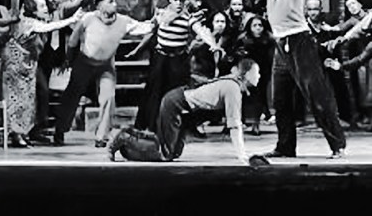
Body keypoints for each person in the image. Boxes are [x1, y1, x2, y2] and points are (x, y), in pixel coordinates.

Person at [260, 0, 346, 160]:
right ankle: (285, 146)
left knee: (316, 95)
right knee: (280, 99)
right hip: (280, 45)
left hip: (300, 42)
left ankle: (337, 145)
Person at [107, 58, 264, 165]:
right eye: (256, 72)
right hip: (176, 104)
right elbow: (234, 125)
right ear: (246, 74)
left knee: (174, 152)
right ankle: (124, 138)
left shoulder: (234, 84)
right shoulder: (233, 88)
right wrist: (242, 156)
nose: (259, 75)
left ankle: (129, 135)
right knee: (165, 154)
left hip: (182, 107)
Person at [52, 0, 152, 147]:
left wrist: (158, 21)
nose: (115, 4)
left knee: (108, 97)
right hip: (85, 62)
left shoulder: (123, 21)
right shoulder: (88, 18)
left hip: (106, 65)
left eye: (115, 1)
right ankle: (60, 129)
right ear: (99, 5)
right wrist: (68, 59)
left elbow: (144, 27)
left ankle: (102, 136)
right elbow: (73, 40)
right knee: (72, 95)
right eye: (110, 1)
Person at [127, 0, 222, 132]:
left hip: (178, 60)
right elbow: (149, 30)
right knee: (154, 91)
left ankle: (174, 126)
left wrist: (212, 44)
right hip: (161, 59)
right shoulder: (161, 14)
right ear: (170, 0)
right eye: (176, 0)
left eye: (182, 1)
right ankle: (149, 126)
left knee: (175, 94)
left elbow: (201, 31)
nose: (178, 3)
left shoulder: (188, 18)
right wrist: (137, 48)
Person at [2, 0, 82, 147]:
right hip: (17, 65)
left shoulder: (37, 21)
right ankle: (16, 133)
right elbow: (48, 27)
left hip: (28, 64)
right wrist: (71, 20)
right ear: (33, 9)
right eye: (41, 6)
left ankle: (23, 131)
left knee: (28, 99)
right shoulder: (27, 22)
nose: (45, 9)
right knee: (18, 99)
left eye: (45, 6)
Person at [234, 15, 274, 135]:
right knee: (244, 96)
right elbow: (237, 54)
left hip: (263, 72)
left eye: (260, 25)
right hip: (246, 71)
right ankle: (241, 121)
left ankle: (256, 124)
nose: (257, 28)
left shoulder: (269, 39)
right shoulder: (243, 39)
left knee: (260, 97)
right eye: (254, 25)